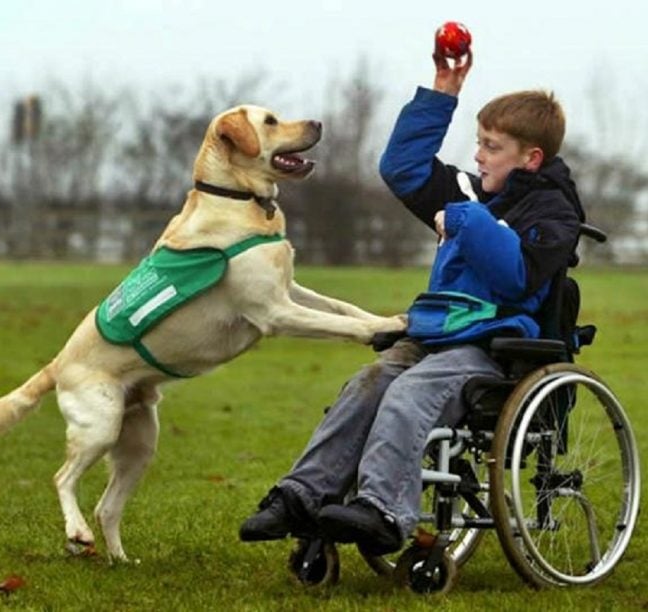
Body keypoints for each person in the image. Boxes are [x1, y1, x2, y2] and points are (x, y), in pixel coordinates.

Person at [239, 43, 585, 556]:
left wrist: (464, 219)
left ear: (530, 158)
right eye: (479, 142)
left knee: (409, 393)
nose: (477, 155)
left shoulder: (554, 214)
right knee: (367, 383)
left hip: (495, 347)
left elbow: (518, 278)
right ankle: (303, 496)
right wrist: (441, 94)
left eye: (491, 146)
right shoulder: (472, 191)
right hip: (436, 334)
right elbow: (402, 169)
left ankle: (383, 511)